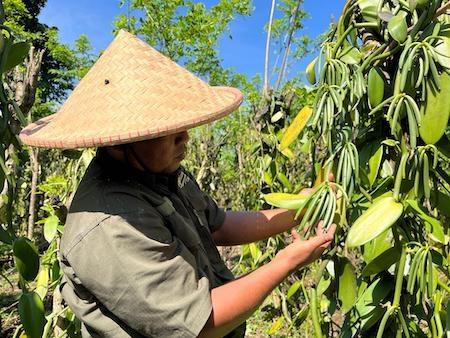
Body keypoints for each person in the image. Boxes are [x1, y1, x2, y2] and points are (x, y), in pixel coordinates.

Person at [19, 30, 336, 338]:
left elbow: (220, 226)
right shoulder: (110, 224)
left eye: (182, 124)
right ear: (119, 141)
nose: (184, 136)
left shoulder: (161, 173)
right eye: (166, 129)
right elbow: (202, 324)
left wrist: (298, 210)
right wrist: (287, 261)